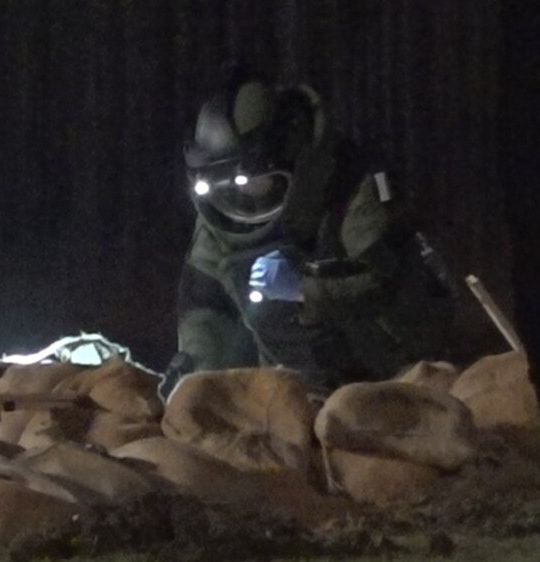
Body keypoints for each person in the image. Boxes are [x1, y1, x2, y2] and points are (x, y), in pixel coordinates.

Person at [160, 71, 456, 400]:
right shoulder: (221, 213)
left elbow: (387, 282)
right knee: (243, 281)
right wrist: (195, 369)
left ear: (291, 156)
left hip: (389, 359)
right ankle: (295, 393)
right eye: (225, 190)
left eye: (255, 185)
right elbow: (204, 302)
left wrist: (304, 289)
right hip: (290, 375)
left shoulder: (355, 185)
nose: (243, 201)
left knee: (279, 284)